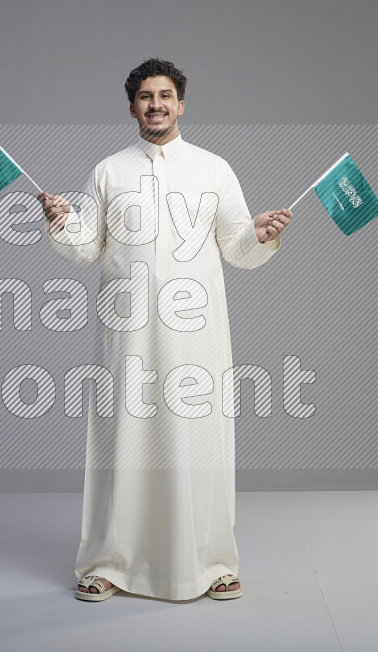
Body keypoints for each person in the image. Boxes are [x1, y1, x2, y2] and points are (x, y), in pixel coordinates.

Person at [37, 58, 291, 602]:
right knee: (121, 443)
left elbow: (237, 248)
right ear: (132, 107)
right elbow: (85, 248)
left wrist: (263, 234)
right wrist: (61, 221)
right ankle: (108, 563)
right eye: (146, 96)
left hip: (196, 335)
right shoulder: (108, 171)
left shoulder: (214, 169)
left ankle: (213, 562)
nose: (156, 104)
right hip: (127, 334)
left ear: (181, 104)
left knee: (201, 442)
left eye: (166, 95)